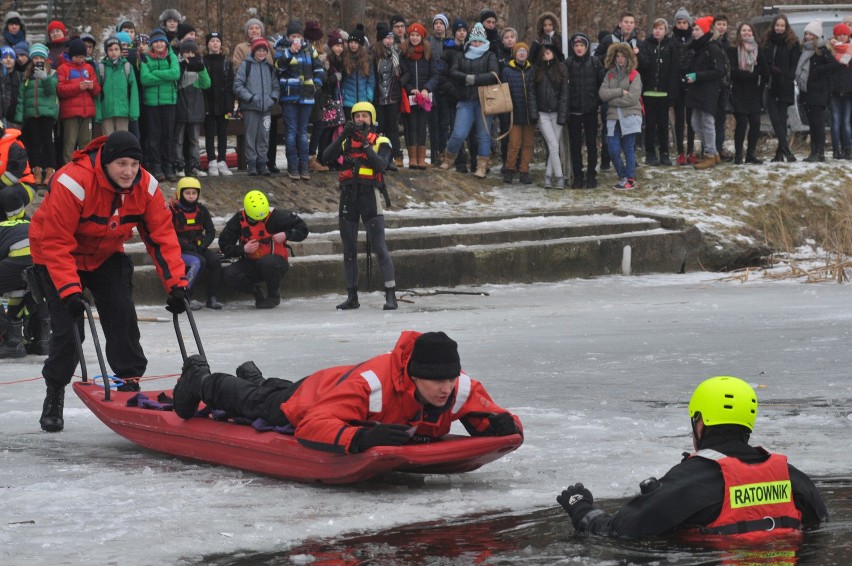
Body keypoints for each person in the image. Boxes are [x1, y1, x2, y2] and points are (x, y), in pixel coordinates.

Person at [29, 131, 189, 432]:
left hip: (104, 253)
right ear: (105, 162)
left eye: (134, 164)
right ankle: (55, 390)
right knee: (70, 331)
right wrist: (69, 291)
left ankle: (130, 383)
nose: (128, 171)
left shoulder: (146, 187)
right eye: (121, 164)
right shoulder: (73, 182)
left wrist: (176, 284)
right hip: (55, 254)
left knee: (122, 314)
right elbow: (55, 241)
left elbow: (161, 238)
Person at [557, 376, 828, 538]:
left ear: (699, 424)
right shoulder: (793, 478)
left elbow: (621, 531)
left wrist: (582, 509)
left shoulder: (690, 481)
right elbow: (820, 524)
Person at [172, 330, 524, 454]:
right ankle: (200, 378)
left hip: (334, 383)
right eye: (436, 382)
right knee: (257, 405)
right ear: (413, 377)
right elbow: (311, 425)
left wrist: (505, 425)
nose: (445, 389)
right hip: (312, 397)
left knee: (269, 392)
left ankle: (256, 376)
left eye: (450, 379)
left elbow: (489, 414)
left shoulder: (455, 386)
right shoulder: (372, 384)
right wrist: (363, 439)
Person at [322, 101, 397, 311]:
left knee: (379, 247)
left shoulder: (382, 140)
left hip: (370, 195)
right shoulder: (345, 141)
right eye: (357, 116)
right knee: (349, 249)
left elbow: (381, 165)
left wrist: (365, 143)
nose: (360, 119)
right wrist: (344, 136)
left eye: (365, 115)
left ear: (372, 118)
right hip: (348, 197)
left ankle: (391, 295)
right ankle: (352, 296)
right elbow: (326, 157)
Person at [218, 190, 308, 309]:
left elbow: (303, 230)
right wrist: (243, 249)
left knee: (268, 262)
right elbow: (224, 245)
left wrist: (287, 234)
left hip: (276, 263)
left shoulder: (277, 215)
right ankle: (256, 292)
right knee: (229, 275)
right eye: (256, 219)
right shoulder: (239, 219)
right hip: (251, 262)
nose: (260, 221)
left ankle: (273, 297)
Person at [439, 23, 499, 179]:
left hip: (485, 100)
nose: (477, 44)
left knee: (483, 135)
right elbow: (453, 72)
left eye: (479, 41)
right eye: (474, 41)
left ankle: (481, 166)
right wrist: (467, 78)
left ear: (484, 41)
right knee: (458, 133)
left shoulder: (490, 55)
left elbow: (493, 75)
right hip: (465, 100)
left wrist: (472, 79)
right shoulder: (461, 55)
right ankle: (448, 158)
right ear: (470, 41)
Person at [274, 18, 324, 181]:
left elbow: (318, 68)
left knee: (302, 132)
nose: (296, 38)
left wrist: (315, 85)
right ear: (288, 37)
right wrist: (291, 52)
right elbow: (279, 67)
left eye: (298, 35)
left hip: (307, 97)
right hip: (289, 96)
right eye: (292, 35)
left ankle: (304, 166)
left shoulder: (310, 49)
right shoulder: (281, 48)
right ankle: (292, 166)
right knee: (291, 132)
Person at [0, 135, 35, 358]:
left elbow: (14, 172)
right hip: (35, 250)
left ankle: (12, 338)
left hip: (22, 188)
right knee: (18, 289)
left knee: (7, 194)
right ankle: (40, 339)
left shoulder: (13, 145)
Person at [169, 177, 222, 311]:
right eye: (188, 193)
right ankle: (185, 297)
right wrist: (188, 246)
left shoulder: (202, 210)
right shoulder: (172, 211)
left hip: (198, 247)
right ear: (180, 193)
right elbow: (170, 235)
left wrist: (203, 245)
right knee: (198, 262)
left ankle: (211, 297)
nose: (191, 196)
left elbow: (211, 231)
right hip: (181, 250)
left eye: (194, 193)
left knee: (215, 261)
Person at [684, 16, 725, 171]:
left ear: (705, 31)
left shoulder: (712, 47)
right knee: (695, 122)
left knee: (707, 122)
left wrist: (697, 76)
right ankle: (713, 152)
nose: (693, 32)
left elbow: (718, 71)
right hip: (697, 90)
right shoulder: (698, 47)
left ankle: (709, 154)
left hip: (708, 91)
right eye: (693, 29)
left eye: (697, 29)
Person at [599, 42, 642, 190]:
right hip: (613, 117)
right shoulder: (609, 74)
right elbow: (602, 94)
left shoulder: (634, 75)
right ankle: (624, 176)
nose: (620, 59)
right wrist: (619, 92)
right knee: (613, 149)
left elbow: (633, 98)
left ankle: (629, 179)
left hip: (630, 115)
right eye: (618, 56)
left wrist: (612, 100)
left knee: (628, 148)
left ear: (628, 57)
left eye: (623, 56)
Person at [233, 38, 279, 176]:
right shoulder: (245, 66)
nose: (261, 53)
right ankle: (251, 163)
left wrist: (273, 98)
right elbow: (237, 85)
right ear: (254, 51)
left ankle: (262, 163)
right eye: (259, 50)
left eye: (264, 50)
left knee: (264, 136)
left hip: (266, 108)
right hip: (251, 107)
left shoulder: (269, 68)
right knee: (251, 135)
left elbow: (276, 86)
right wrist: (251, 97)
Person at [637, 18, 679, 166]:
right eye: (655, 28)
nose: (657, 31)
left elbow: (674, 71)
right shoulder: (645, 45)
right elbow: (644, 66)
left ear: (665, 30)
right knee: (650, 124)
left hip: (664, 93)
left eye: (660, 28)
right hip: (649, 92)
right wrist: (638, 54)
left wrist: (672, 95)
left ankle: (664, 153)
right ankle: (650, 153)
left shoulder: (671, 46)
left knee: (663, 124)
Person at [140, 28, 180, 181]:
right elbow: (145, 79)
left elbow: (175, 74)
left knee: (168, 136)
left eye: (161, 41)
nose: (159, 44)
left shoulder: (172, 57)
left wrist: (155, 74)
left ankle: (168, 166)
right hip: (152, 104)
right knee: (154, 137)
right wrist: (165, 77)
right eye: (156, 41)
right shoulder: (145, 58)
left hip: (169, 102)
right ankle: (156, 167)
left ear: (166, 42)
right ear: (151, 44)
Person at [15, 43, 58, 185]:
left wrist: (45, 78)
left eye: (41, 57)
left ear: (45, 59)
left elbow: (51, 91)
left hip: (46, 114)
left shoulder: (51, 73)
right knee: (34, 143)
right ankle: (37, 171)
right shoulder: (27, 75)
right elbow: (22, 97)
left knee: (48, 143)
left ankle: (50, 172)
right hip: (31, 114)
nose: (38, 60)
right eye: (35, 58)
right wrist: (20, 117)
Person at [565, 33, 604, 189]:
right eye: (576, 46)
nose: (579, 48)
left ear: (587, 47)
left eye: (582, 45)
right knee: (575, 146)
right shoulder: (568, 63)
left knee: (591, 144)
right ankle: (578, 176)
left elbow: (603, 84)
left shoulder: (595, 62)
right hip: (573, 112)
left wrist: (597, 102)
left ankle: (591, 175)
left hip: (590, 111)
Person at [761, 14, 801, 162]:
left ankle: (779, 153)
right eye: (777, 25)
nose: (779, 28)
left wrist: (787, 78)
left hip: (785, 85)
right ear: (773, 26)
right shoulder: (766, 41)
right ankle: (787, 150)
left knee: (782, 118)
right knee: (774, 118)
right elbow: (763, 61)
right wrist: (770, 69)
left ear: (786, 27)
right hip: (771, 85)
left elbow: (794, 64)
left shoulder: (792, 42)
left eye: (782, 25)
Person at [729, 22, 769, 165]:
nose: (746, 33)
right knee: (741, 123)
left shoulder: (759, 49)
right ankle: (738, 154)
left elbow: (764, 71)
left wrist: (759, 83)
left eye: (749, 30)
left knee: (755, 123)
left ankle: (751, 154)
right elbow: (733, 72)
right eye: (743, 30)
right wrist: (751, 75)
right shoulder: (733, 49)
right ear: (739, 33)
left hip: (755, 92)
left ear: (753, 33)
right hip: (738, 91)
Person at [56, 38, 101, 165]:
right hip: (70, 113)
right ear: (71, 56)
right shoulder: (63, 68)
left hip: (87, 112)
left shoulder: (89, 68)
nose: (80, 59)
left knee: (86, 142)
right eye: (77, 57)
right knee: (69, 142)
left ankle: (85, 166)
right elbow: (60, 90)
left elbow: (97, 89)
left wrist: (92, 87)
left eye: (82, 57)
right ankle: (68, 167)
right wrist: (78, 87)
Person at [401, 22, 438, 169]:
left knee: (422, 126)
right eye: (412, 35)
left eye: (417, 35)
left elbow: (435, 75)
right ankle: (412, 158)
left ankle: (421, 158)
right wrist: (410, 89)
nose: (415, 38)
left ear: (422, 37)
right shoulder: (404, 53)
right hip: (410, 96)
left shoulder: (428, 53)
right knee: (411, 125)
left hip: (424, 97)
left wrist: (426, 89)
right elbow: (402, 76)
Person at [502, 42, 538, 185]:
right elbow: (504, 91)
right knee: (514, 143)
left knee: (528, 144)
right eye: (519, 51)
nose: (522, 53)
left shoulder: (532, 69)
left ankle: (524, 171)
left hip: (530, 113)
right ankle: (510, 169)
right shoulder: (507, 70)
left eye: (524, 51)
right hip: (514, 113)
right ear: (515, 54)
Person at [174, 38, 211, 178]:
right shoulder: (177, 65)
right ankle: (179, 165)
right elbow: (175, 81)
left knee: (194, 140)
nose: (189, 55)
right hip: (181, 108)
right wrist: (183, 66)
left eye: (192, 52)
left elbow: (206, 84)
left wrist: (201, 69)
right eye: (186, 52)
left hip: (195, 108)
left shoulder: (198, 66)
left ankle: (195, 165)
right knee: (178, 140)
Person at [533, 40, 568, 189]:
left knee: (554, 147)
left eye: (548, 52)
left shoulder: (561, 68)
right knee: (553, 145)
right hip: (542, 114)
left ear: (553, 53)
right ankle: (560, 177)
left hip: (556, 113)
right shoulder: (536, 70)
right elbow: (532, 94)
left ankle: (548, 177)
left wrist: (562, 115)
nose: (545, 55)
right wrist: (535, 114)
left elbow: (565, 94)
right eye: (543, 54)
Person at [796, 21, 832, 163]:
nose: (808, 36)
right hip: (806, 91)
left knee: (818, 123)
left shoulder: (822, 50)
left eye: (811, 34)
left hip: (818, 92)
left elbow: (833, 65)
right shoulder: (803, 49)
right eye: (806, 33)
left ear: (817, 36)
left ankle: (820, 152)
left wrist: (817, 71)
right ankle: (813, 152)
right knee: (811, 123)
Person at [373, 23, 406, 170]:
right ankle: (379, 157)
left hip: (392, 96)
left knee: (392, 128)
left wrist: (400, 83)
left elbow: (406, 72)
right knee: (380, 127)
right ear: (381, 40)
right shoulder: (373, 55)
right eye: (387, 38)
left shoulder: (396, 54)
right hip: (378, 97)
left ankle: (392, 157)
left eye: (391, 38)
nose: (390, 41)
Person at [202, 31, 234, 176]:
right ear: (207, 44)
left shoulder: (227, 62)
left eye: (217, 41)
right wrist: (205, 106)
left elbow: (230, 85)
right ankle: (211, 161)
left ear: (221, 44)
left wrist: (230, 106)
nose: (215, 43)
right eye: (212, 41)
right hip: (208, 104)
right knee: (210, 134)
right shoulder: (203, 61)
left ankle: (222, 160)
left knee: (222, 133)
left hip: (223, 105)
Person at [95, 36, 139, 136]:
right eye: (110, 50)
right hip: (106, 112)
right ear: (106, 52)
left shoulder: (127, 66)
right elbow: (97, 92)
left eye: (116, 49)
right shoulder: (101, 68)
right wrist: (98, 114)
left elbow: (133, 91)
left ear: (120, 50)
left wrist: (134, 113)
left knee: (122, 141)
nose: (113, 52)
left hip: (123, 111)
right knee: (108, 141)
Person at [671, 7, 696, 166]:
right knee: (679, 119)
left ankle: (691, 150)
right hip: (677, 84)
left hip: (692, 83)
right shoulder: (671, 40)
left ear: (688, 24)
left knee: (691, 119)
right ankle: (680, 151)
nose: (681, 25)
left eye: (684, 22)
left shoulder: (694, 40)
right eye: (679, 22)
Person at [828, 23, 852, 159]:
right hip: (834, 90)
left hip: (848, 91)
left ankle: (848, 149)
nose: (842, 37)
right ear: (835, 35)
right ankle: (836, 149)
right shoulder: (831, 50)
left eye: (845, 34)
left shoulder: (851, 50)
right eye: (839, 34)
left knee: (847, 121)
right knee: (835, 121)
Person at [340, 25, 374, 120]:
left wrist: (369, 95)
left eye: (356, 42)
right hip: (348, 100)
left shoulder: (367, 59)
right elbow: (341, 80)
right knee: (350, 127)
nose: (353, 45)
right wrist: (340, 96)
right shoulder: (344, 57)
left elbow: (371, 79)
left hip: (363, 100)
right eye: (351, 42)